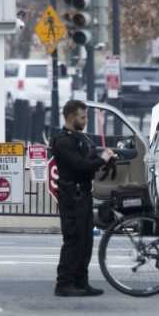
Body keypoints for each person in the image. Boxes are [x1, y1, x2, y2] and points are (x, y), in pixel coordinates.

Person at [52, 100, 115, 297]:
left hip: (84, 194)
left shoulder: (81, 138)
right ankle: (64, 283)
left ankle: (81, 281)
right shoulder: (62, 141)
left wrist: (105, 159)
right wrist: (101, 159)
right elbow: (80, 166)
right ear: (70, 117)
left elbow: (89, 161)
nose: (85, 120)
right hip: (72, 196)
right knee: (73, 239)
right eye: (82, 117)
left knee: (86, 241)